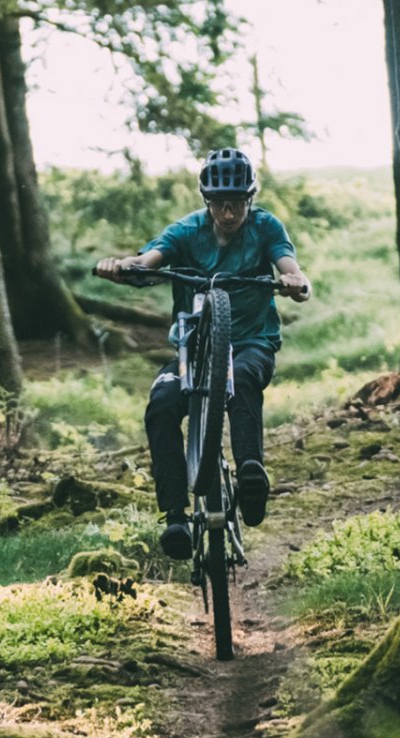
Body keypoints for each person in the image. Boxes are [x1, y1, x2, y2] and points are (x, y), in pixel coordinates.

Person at [94, 148, 312, 560]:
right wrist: (125, 267)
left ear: (250, 199)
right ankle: (175, 514)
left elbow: (289, 265)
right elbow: (150, 260)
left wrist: (294, 280)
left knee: (244, 376)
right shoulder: (187, 231)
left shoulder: (265, 228)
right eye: (218, 204)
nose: (227, 214)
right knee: (161, 404)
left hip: (251, 343)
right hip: (192, 353)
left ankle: (251, 475)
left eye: (236, 204)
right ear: (206, 200)